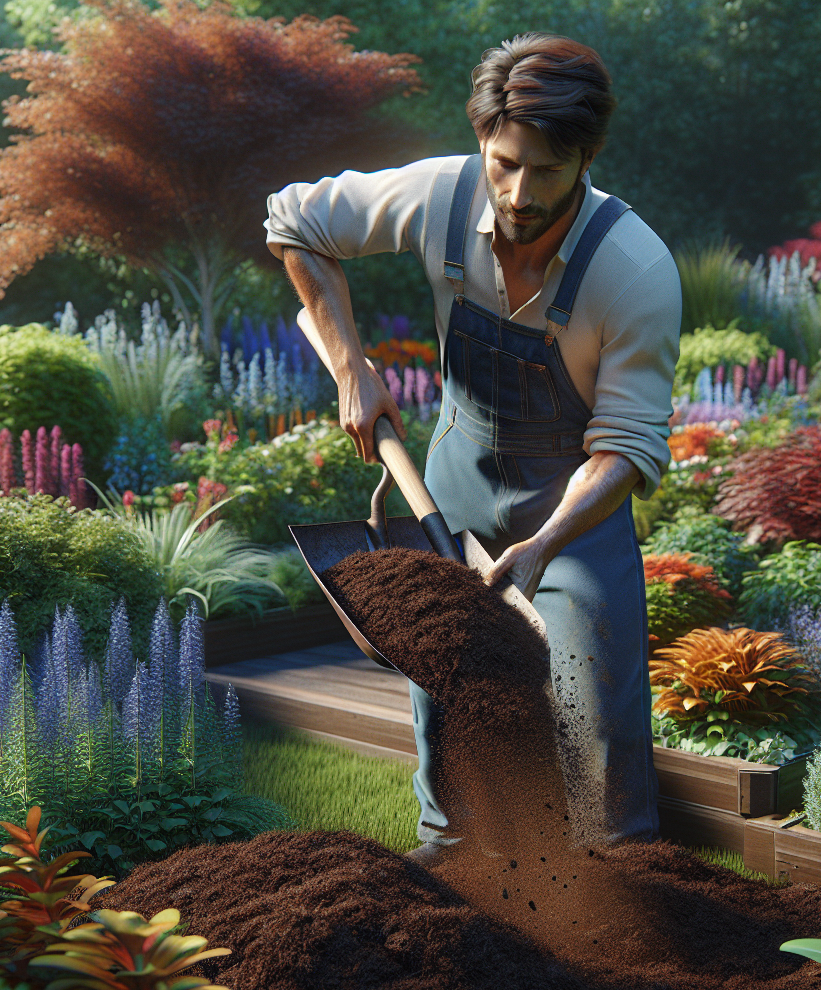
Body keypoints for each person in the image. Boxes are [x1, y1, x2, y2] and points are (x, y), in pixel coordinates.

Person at [264, 32, 680, 865]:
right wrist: (352, 368)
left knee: (596, 712)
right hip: (454, 473)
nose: (520, 192)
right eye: (504, 162)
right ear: (485, 142)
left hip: (572, 507)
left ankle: (627, 890)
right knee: (441, 686)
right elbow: (293, 220)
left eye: (547, 171)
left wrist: (542, 545)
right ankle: (448, 863)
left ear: (586, 158)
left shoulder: (633, 272)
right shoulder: (443, 194)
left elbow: (628, 447)